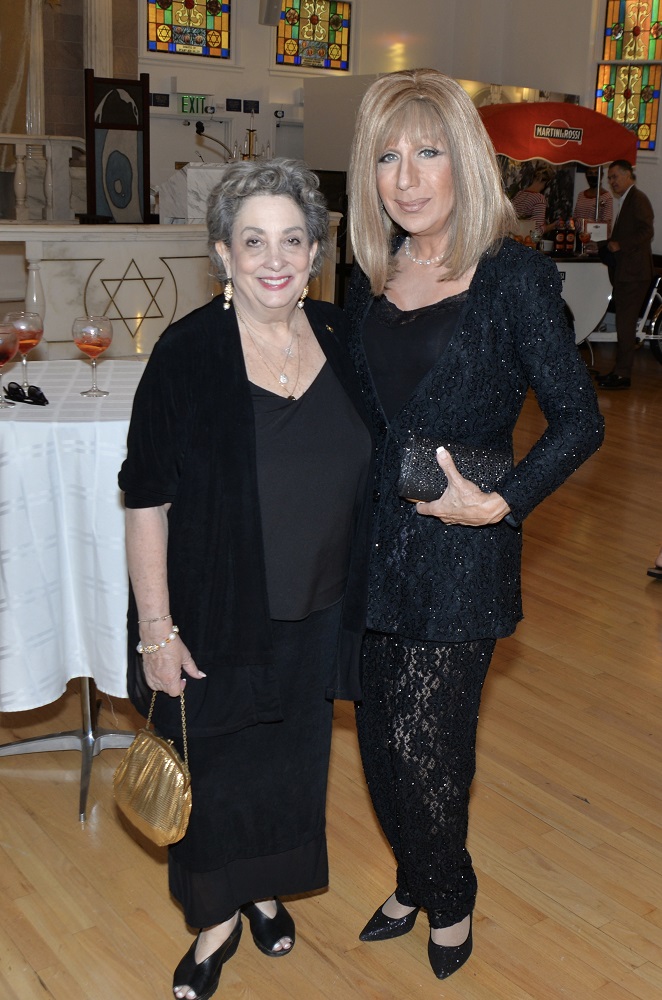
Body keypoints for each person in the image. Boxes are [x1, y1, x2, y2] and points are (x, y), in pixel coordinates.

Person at [345, 68, 604, 981]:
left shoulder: (514, 279)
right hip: (372, 547)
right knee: (378, 740)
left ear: (464, 161)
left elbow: (582, 419)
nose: (407, 177)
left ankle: (450, 894)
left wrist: (504, 501)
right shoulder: (369, 276)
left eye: (427, 153)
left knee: (430, 750)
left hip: (461, 550)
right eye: (387, 156)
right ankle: (415, 875)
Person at [118, 158, 372, 1000]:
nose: (275, 257)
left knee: (292, 762)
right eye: (253, 239)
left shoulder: (341, 336)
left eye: (292, 239)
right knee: (219, 770)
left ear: (315, 251)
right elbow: (144, 496)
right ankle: (216, 921)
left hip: (319, 609)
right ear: (222, 253)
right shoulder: (187, 353)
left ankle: (264, 890)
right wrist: (157, 629)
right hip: (214, 615)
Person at [596, 159, 654, 390]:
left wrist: (620, 244)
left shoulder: (637, 199)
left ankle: (623, 375)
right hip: (627, 274)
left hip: (634, 274)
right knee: (624, 325)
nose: (611, 182)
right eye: (609, 179)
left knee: (626, 325)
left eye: (614, 177)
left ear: (628, 175)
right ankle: (619, 371)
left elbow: (647, 231)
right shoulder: (628, 199)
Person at [573, 166, 613, 254]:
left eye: (596, 173)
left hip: (596, 242)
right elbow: (575, 217)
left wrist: (587, 223)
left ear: (601, 175)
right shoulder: (581, 195)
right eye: (590, 173)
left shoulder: (606, 197)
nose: (593, 176)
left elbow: (607, 224)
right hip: (579, 241)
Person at [511, 167, 557, 235]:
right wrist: (553, 226)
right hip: (525, 240)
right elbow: (536, 231)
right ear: (547, 183)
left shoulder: (519, 194)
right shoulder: (539, 199)